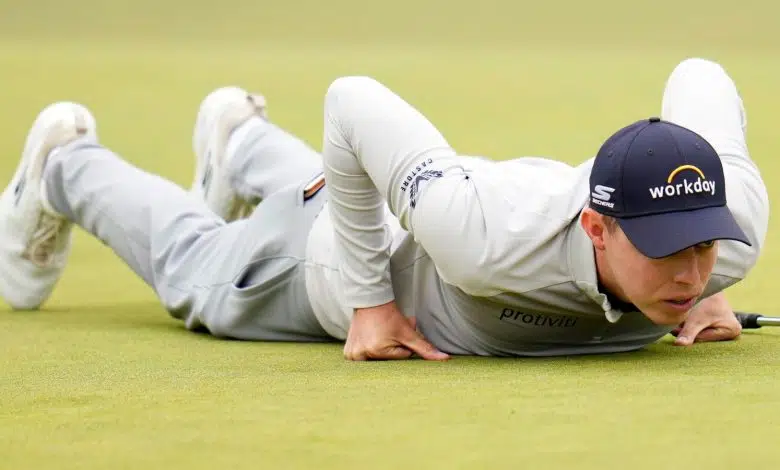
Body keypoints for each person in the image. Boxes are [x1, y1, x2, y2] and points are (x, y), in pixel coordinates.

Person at [0, 57, 769, 361]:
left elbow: (699, 73)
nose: (690, 268)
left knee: (374, 188)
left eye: (699, 244)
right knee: (200, 277)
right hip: (343, 255)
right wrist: (369, 302)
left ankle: (242, 144)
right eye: (667, 249)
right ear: (597, 227)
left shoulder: (731, 232)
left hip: (428, 204)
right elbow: (351, 100)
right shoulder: (487, 243)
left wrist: (700, 276)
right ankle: (66, 164)